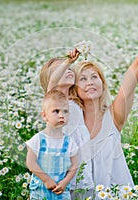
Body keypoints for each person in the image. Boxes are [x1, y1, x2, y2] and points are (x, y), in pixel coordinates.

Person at [70, 29, 138, 192]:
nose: (90, 82)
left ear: (102, 83)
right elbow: (51, 90)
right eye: (83, 78)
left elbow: (128, 86)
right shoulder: (68, 119)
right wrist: (66, 62)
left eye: (95, 77)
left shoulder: (113, 116)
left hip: (115, 194)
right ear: (73, 88)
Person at [39, 50, 95, 198]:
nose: (68, 70)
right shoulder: (53, 99)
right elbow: (53, 82)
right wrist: (68, 62)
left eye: (70, 69)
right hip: (63, 155)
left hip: (82, 155)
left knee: (83, 189)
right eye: (61, 69)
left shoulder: (75, 100)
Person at [26, 90, 79, 199]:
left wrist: (65, 182)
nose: (61, 115)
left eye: (65, 111)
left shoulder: (69, 142)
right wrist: (46, 179)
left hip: (61, 192)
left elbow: (74, 166)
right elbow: (30, 162)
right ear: (45, 116)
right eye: (56, 111)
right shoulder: (38, 139)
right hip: (40, 192)